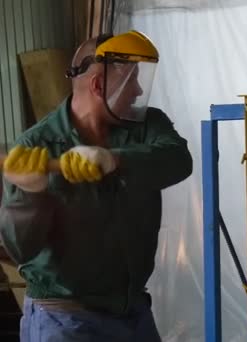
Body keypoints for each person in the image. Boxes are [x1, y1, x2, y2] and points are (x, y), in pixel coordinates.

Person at [0, 30, 193, 341]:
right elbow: (19, 248)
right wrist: (30, 195)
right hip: (65, 319)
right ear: (98, 85)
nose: (139, 89)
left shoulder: (146, 126)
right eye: (131, 79)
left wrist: (114, 160)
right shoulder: (37, 145)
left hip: (132, 312)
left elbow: (179, 160)